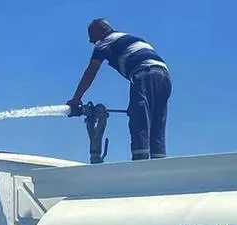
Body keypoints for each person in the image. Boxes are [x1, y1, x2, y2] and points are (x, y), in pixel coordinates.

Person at [67, 18, 172, 161]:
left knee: (139, 119)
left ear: (101, 31)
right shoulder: (128, 38)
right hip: (164, 76)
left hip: (143, 74)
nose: (90, 41)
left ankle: (140, 163)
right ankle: (159, 163)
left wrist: (76, 99)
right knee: (157, 122)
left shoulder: (105, 42)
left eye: (91, 35)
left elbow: (91, 71)